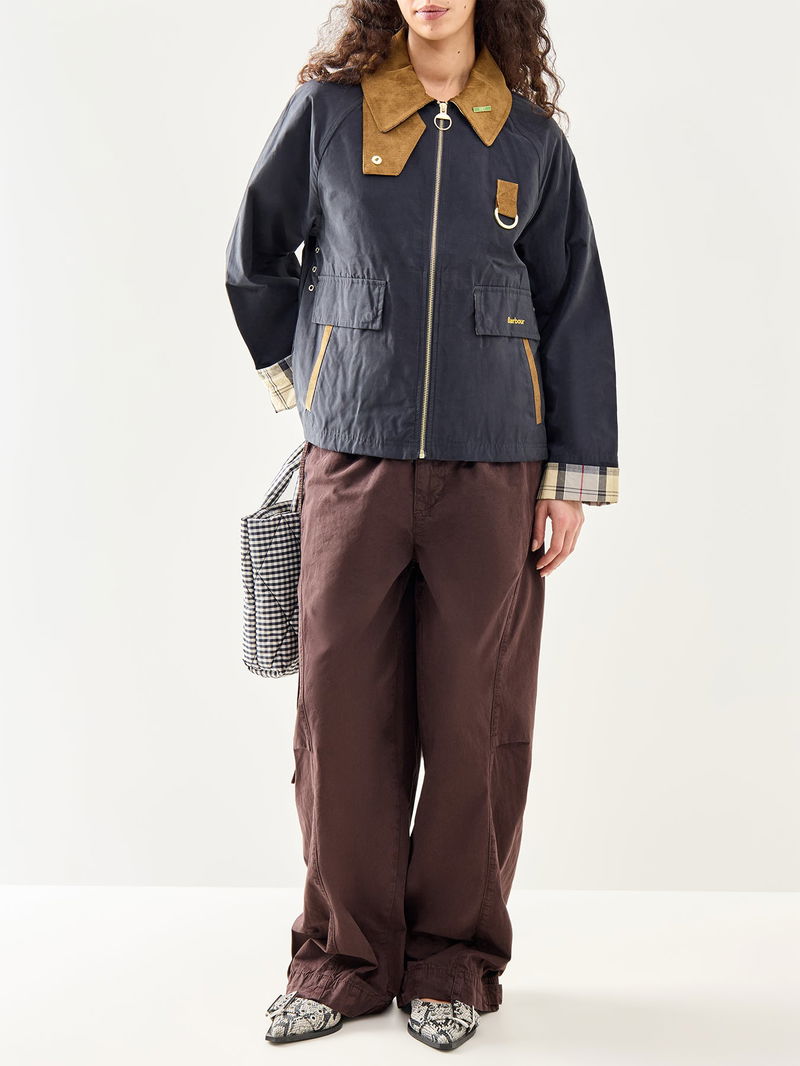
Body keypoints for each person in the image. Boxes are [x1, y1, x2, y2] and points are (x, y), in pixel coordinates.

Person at [225, 0, 619, 1051]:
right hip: (351, 459)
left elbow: (572, 305)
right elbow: (255, 256)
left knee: (475, 719)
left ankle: (452, 960)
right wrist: (315, 380)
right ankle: (342, 960)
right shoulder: (327, 114)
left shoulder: (529, 140)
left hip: (495, 469)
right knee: (340, 713)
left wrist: (567, 478)